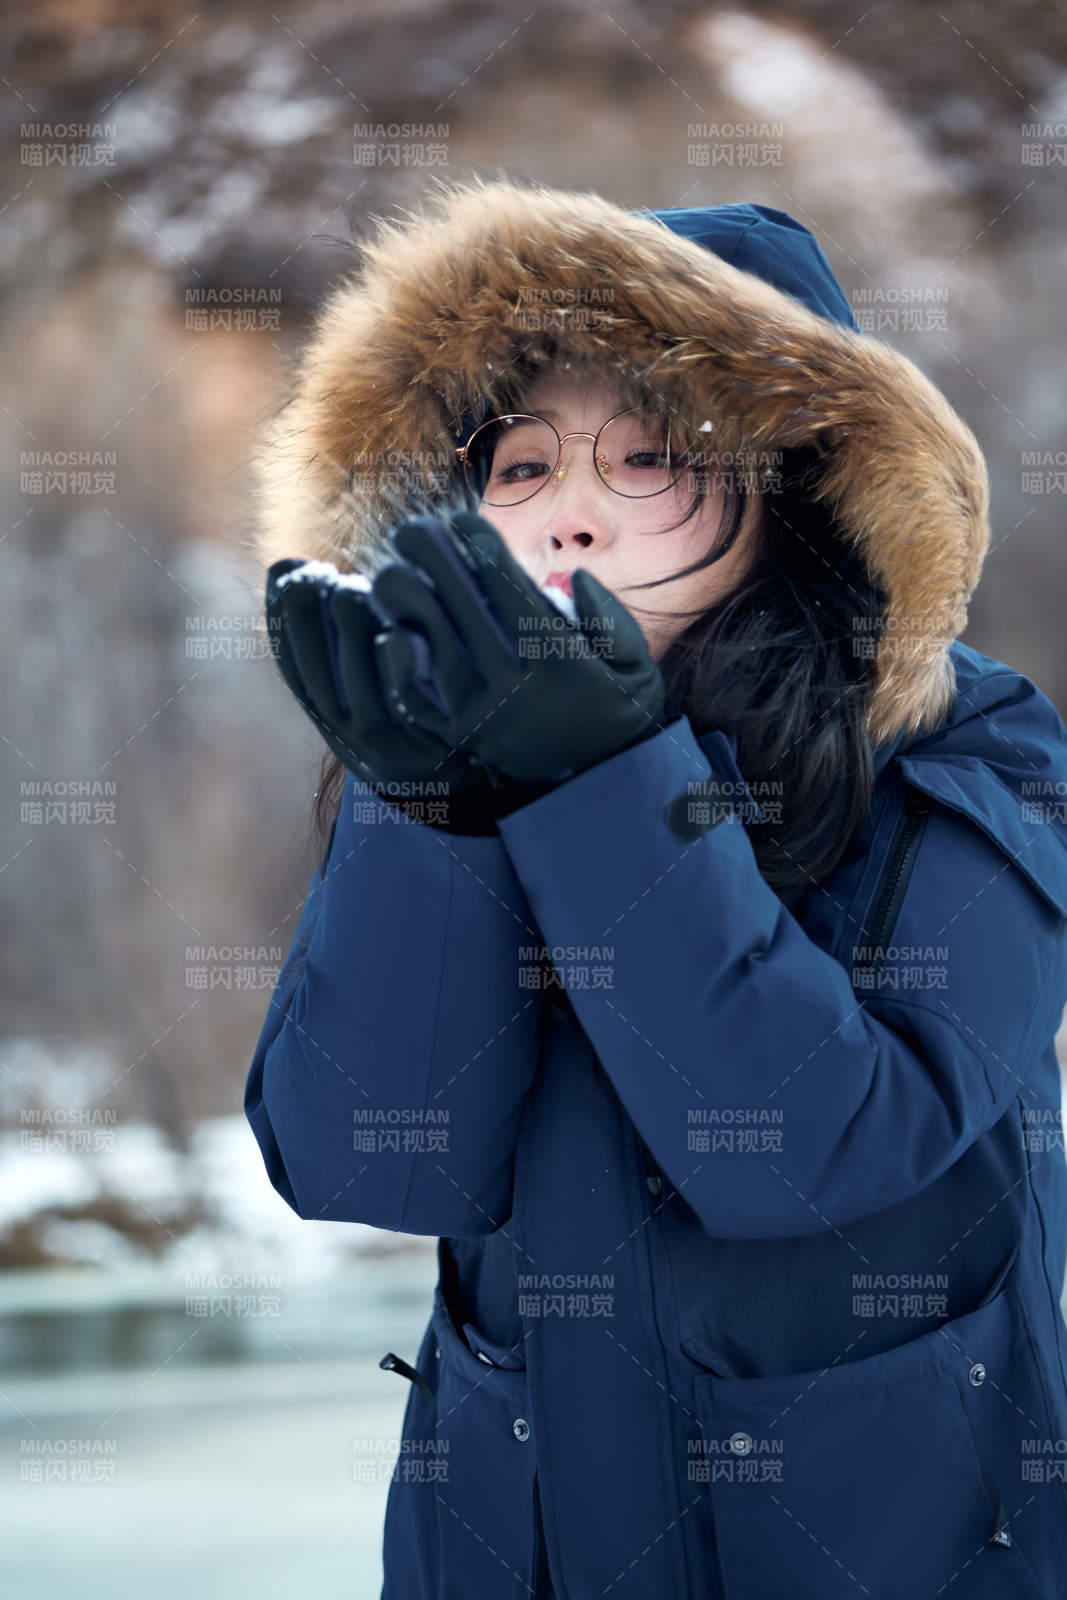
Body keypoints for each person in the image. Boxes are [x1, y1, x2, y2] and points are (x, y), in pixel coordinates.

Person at [243, 174, 1067, 1599]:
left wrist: (607, 783)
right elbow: (369, 1160)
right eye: (522, 466)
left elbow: (806, 1147)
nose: (571, 515)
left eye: (648, 457)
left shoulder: (973, 749)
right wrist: (437, 810)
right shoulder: (452, 752)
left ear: (796, 488)